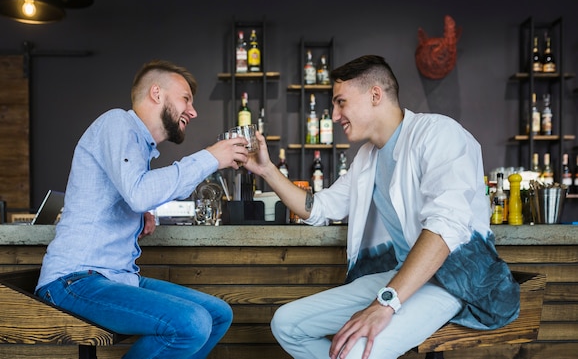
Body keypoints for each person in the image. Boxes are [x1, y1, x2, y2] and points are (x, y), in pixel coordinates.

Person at [243, 55, 519, 359]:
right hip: (403, 273)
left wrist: (385, 302)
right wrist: (267, 170)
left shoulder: (439, 133)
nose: (334, 115)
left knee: (354, 352)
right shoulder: (366, 158)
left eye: (341, 102)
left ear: (375, 95)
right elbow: (318, 207)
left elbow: (445, 227)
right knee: (286, 324)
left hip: (454, 280)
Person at [35, 59, 250, 359]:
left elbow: (132, 194)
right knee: (192, 323)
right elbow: (138, 193)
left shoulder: (138, 146)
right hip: (73, 280)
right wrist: (210, 158)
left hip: (115, 276)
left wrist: (138, 215)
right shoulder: (117, 123)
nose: (193, 111)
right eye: (186, 98)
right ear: (157, 93)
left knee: (217, 314)